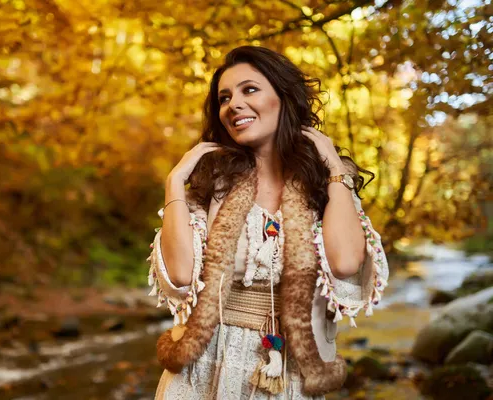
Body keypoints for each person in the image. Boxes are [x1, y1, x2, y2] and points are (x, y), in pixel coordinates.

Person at [146, 46, 389, 399]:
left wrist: (336, 170)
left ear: (283, 96)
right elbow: (181, 276)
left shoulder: (326, 182)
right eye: (224, 98)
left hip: (289, 369)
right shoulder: (210, 182)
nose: (233, 105)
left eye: (249, 90)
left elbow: (346, 262)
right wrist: (174, 182)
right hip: (206, 366)